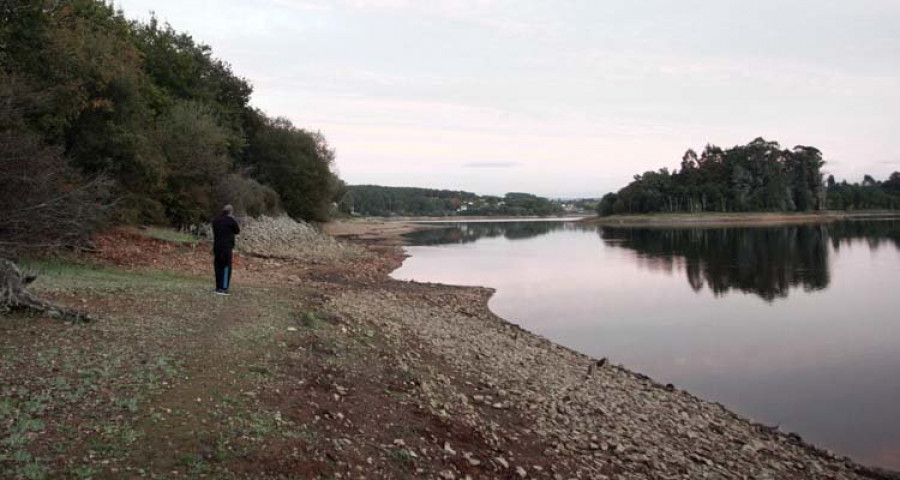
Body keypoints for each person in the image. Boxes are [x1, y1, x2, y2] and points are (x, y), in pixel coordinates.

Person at [212, 204, 240, 295]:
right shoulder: (231, 220)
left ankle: (218, 287)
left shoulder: (215, 220)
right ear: (231, 212)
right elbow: (237, 231)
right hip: (227, 247)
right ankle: (224, 288)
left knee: (218, 266)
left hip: (217, 246)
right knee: (226, 267)